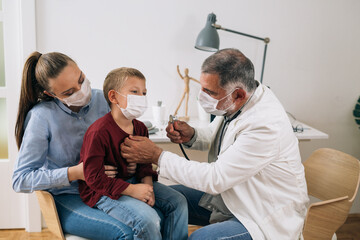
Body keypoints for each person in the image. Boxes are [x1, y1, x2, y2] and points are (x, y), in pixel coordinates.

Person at [120, 48, 310, 240]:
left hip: (261, 214)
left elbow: (215, 179)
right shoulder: (239, 102)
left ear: (238, 95)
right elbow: (221, 137)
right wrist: (192, 135)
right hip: (233, 196)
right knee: (166, 200)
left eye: (209, 92)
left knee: (200, 238)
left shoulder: (265, 124)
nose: (201, 96)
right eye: (202, 88)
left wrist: (157, 156)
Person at [12, 51, 137, 239]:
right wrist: (75, 173)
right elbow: (21, 179)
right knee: (128, 232)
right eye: (69, 92)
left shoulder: (105, 101)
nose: (80, 90)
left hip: (109, 188)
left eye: (81, 79)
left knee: (159, 216)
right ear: (51, 94)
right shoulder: (42, 117)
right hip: (70, 197)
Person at [78, 67, 188, 240]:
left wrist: (148, 188)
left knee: (179, 202)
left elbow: (145, 163)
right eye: (134, 92)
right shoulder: (98, 132)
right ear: (114, 97)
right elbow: (93, 178)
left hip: (133, 182)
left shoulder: (140, 128)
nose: (141, 98)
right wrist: (132, 190)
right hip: (102, 191)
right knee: (148, 219)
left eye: (144, 93)